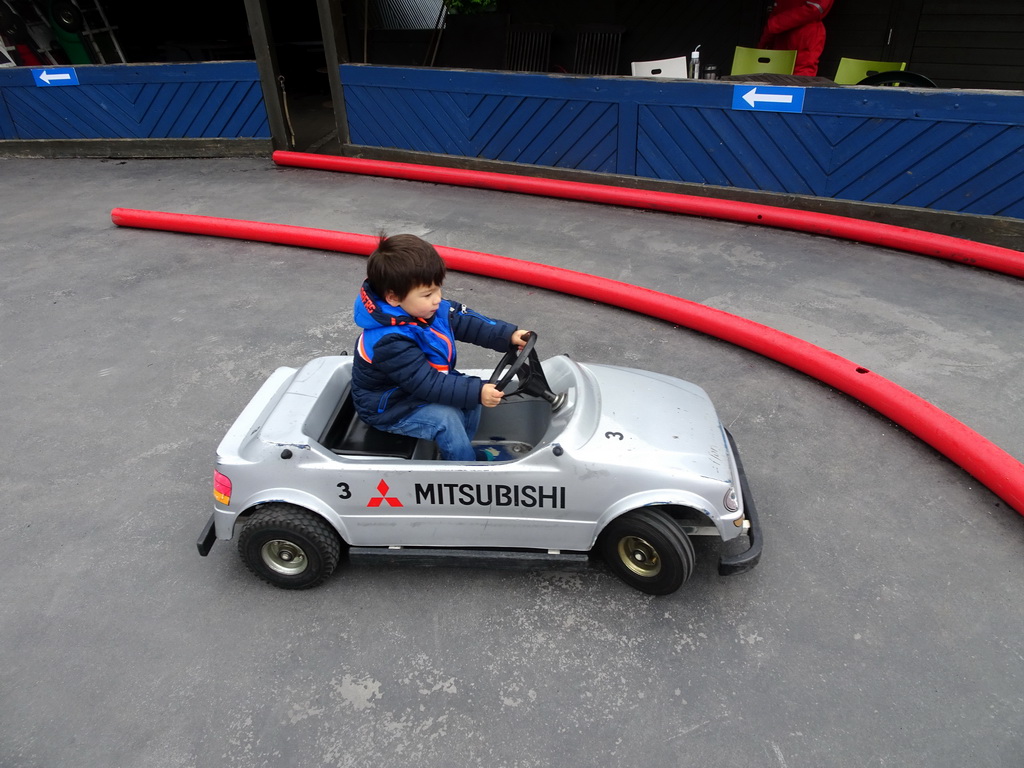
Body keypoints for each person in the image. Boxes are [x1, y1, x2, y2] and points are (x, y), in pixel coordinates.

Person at [350, 233, 531, 461]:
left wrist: (508, 335)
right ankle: (463, 472)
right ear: (394, 298)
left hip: (412, 390)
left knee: (471, 399)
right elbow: (426, 383)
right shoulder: (389, 341)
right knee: (448, 418)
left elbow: (467, 323)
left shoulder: (425, 309)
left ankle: (459, 450)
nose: (438, 299)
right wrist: (476, 391)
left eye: (438, 289)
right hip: (390, 407)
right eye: (427, 294)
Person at [757, 0, 835, 77]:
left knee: (800, 76)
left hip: (803, 33)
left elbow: (815, 8)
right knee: (775, 74)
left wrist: (774, 24)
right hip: (782, 32)